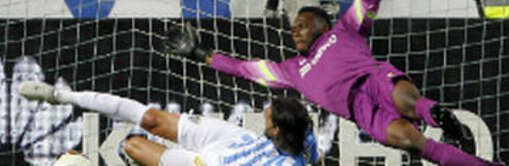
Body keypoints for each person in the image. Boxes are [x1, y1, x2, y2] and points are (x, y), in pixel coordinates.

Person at [162, 0, 502, 166]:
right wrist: (199, 53)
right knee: (410, 141)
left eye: (301, 23)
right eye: (292, 27)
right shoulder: (290, 69)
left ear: (321, 22)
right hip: (360, 112)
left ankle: (436, 113)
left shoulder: (345, 29)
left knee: (406, 100)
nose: (294, 30)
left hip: (374, 81)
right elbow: (244, 69)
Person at [20, 82, 318, 165]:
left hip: (211, 164)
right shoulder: (305, 136)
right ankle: (60, 95)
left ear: (277, 129)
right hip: (236, 141)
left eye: (270, 113)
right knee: (150, 119)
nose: (265, 110)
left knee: (132, 146)